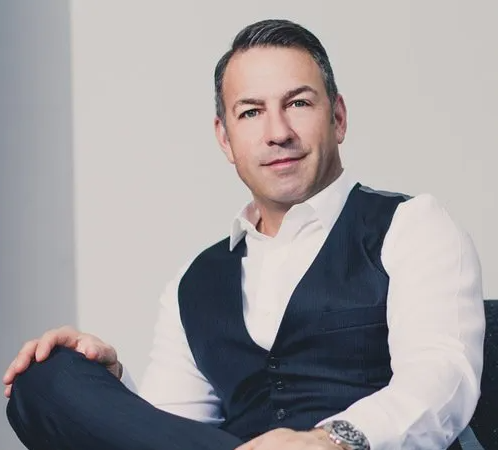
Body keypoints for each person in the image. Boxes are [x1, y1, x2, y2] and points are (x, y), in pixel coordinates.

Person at [3, 19, 485, 450]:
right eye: (251, 112)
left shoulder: (411, 225)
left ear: (337, 118)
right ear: (225, 138)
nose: (278, 132)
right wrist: (113, 392)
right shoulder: (195, 283)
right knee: (46, 378)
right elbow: (167, 431)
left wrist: (329, 441)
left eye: (298, 103)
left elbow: (442, 379)